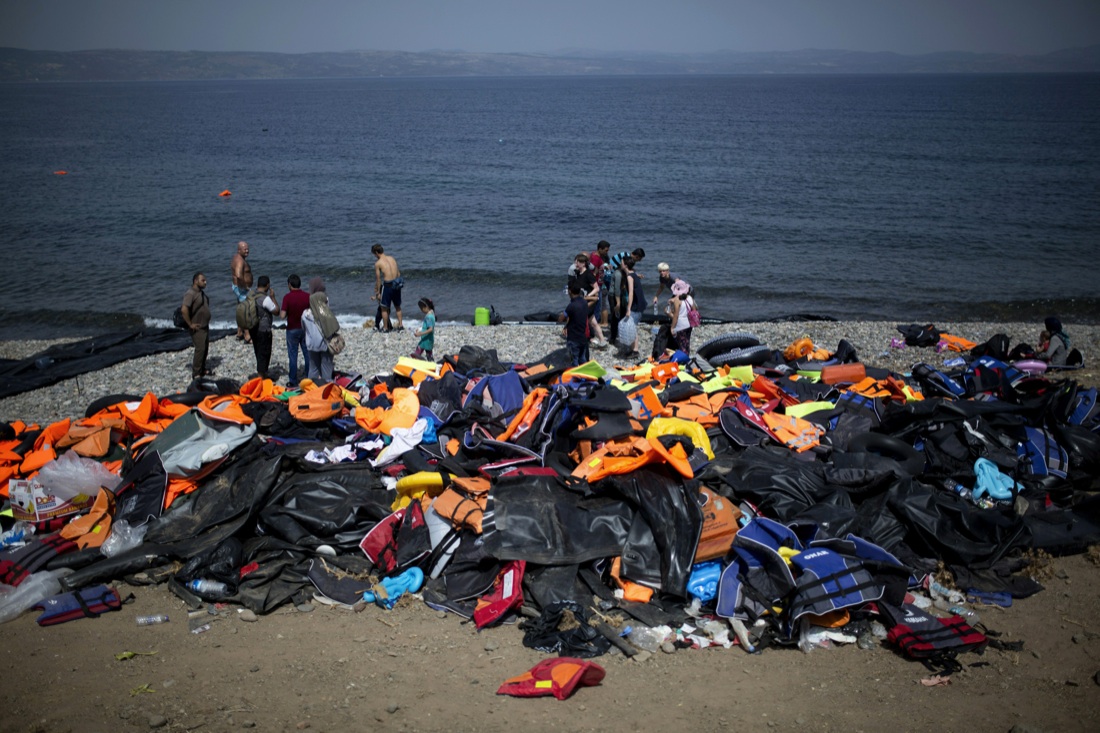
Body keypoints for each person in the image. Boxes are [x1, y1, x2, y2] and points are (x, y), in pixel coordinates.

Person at [566, 253, 607, 348]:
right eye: (576, 261)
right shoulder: (577, 273)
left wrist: (588, 295)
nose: (576, 263)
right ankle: (601, 340)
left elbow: (596, 288)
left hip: (588, 301)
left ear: (584, 263)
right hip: (583, 300)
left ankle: (586, 339)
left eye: (578, 262)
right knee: (592, 321)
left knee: (586, 320)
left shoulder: (588, 274)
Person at [607, 247, 646, 345]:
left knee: (622, 314)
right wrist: (619, 302)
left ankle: (619, 334)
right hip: (616, 293)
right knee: (615, 315)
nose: (639, 261)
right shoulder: (619, 271)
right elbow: (616, 289)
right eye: (639, 259)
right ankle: (613, 337)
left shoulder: (627, 270)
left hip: (621, 293)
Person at [280, 274, 311, 387]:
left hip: (292, 328)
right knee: (307, 353)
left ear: (289, 285)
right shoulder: (307, 296)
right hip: (305, 328)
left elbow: (282, 315)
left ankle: (293, 380)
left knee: (293, 355)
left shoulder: (287, 297)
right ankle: (309, 376)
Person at [180, 272, 212, 379]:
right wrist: (190, 324)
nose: (205, 282)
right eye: (203, 280)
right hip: (197, 327)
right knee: (200, 349)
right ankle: (196, 373)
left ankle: (202, 369)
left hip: (204, 326)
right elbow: (184, 309)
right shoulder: (190, 293)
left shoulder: (200, 293)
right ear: (195, 281)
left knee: (205, 348)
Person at [303, 277, 335, 383]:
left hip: (311, 344)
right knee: (326, 369)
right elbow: (333, 326)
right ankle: (327, 389)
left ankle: (311, 389)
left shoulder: (305, 314)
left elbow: (304, 329)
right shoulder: (325, 313)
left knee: (313, 369)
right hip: (325, 343)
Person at [249, 276, 279, 379]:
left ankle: (263, 373)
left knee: (258, 351)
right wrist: (273, 297)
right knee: (264, 352)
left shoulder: (251, 295)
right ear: (267, 285)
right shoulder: (265, 299)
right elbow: (276, 311)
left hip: (253, 328)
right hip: (264, 329)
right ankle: (261, 377)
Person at [370, 244, 403, 332]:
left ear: (376, 253)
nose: (375, 256)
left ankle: (385, 328)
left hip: (388, 286)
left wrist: (377, 292)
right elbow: (398, 273)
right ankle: (400, 326)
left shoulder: (378, 263)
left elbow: (378, 280)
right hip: (397, 284)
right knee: (397, 306)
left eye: (374, 255)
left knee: (384, 307)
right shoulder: (392, 258)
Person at [559, 283, 590, 366]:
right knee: (582, 359)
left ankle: (575, 377)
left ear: (570, 291)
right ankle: (585, 376)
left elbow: (561, 319)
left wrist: (562, 315)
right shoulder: (584, 302)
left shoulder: (571, 306)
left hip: (573, 338)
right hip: (583, 337)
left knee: (573, 361)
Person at [621, 255, 645, 358]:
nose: (620, 264)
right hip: (639, 304)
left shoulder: (630, 276)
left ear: (625, 265)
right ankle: (632, 349)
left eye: (622, 262)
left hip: (636, 306)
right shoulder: (633, 274)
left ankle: (635, 351)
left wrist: (628, 309)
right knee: (632, 327)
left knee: (632, 328)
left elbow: (631, 293)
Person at [231, 240, 253, 343]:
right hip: (241, 288)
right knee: (245, 311)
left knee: (240, 308)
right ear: (239, 250)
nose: (247, 250)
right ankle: (247, 335)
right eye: (245, 249)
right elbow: (239, 275)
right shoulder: (240, 261)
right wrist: (245, 287)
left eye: (248, 248)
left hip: (239, 287)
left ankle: (239, 332)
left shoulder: (238, 258)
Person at [668, 279, 697, 355]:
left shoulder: (677, 300)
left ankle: (683, 361)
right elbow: (694, 310)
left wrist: (672, 327)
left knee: (681, 345)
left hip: (680, 326)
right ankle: (687, 358)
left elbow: (676, 316)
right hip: (689, 324)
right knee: (687, 343)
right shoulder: (689, 298)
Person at [589, 240, 611, 326]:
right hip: (597, 286)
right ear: (600, 249)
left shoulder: (598, 257)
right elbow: (593, 273)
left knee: (598, 306)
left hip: (600, 285)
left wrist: (605, 268)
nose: (607, 252)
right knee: (597, 307)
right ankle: (593, 326)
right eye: (606, 250)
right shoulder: (595, 258)